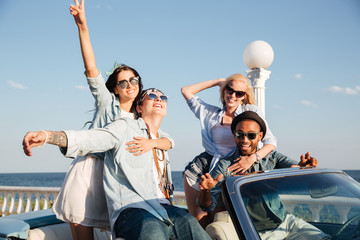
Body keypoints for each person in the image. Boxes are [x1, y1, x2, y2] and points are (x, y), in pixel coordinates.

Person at [54, 1, 173, 239]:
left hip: (118, 180)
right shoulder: (107, 103)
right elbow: (91, 68)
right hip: (90, 171)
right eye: (123, 82)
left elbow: (167, 139)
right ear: (115, 88)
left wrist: (153, 143)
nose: (130, 85)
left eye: (134, 80)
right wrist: (82, 26)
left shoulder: (141, 117)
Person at [23, 89, 211, 240]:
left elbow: (170, 141)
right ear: (139, 107)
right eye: (152, 95)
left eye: (163, 97)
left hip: (164, 206)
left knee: (192, 226)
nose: (159, 98)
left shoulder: (162, 139)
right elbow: (91, 138)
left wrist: (155, 143)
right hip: (132, 210)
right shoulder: (124, 127)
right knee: (154, 233)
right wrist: (48, 136)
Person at [197, 111, 330, 239]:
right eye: (240, 134)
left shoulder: (272, 158)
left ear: (260, 136)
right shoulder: (225, 166)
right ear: (234, 134)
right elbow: (207, 205)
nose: (245, 140)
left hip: (286, 222)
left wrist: (303, 167)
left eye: (251, 135)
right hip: (257, 232)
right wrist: (206, 191)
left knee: (324, 238)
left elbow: (295, 169)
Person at [181, 74, 277, 227]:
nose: (233, 95)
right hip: (202, 170)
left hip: (233, 170)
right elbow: (186, 90)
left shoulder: (249, 112)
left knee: (222, 223)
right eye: (229, 90)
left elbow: (271, 142)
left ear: (243, 96)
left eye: (239, 93)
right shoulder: (210, 113)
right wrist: (218, 81)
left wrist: (252, 159)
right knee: (202, 224)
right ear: (224, 91)